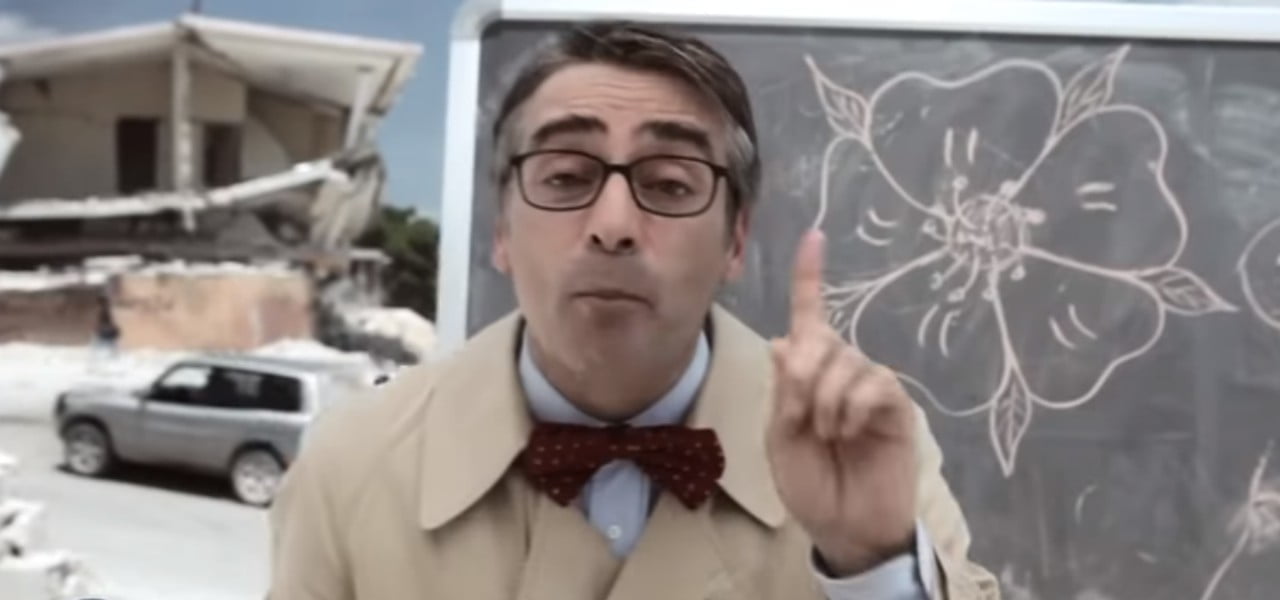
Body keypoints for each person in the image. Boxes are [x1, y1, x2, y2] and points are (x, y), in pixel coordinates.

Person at [267, 21, 999, 600]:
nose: (613, 223)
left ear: (736, 240)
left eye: (670, 183)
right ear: (501, 231)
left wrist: (874, 566)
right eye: (565, 176)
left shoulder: (862, 446)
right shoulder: (351, 465)